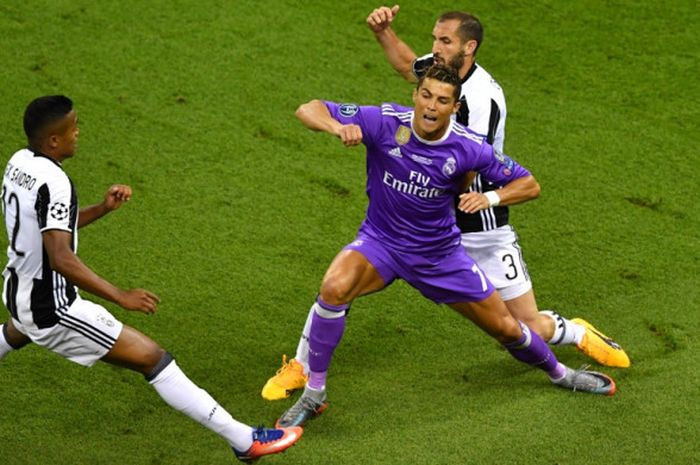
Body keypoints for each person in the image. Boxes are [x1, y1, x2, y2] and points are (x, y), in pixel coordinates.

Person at [261, 6, 628, 402]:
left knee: (521, 326)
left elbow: (467, 170)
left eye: (444, 41)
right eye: (435, 39)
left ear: (468, 49)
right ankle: (303, 367)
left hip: (477, 219)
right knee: (338, 285)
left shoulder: (481, 101)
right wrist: (384, 33)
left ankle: (574, 332)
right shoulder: (436, 77)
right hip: (418, 222)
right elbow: (408, 66)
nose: (434, 48)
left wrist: (437, 184)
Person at [0, 95, 302, 463]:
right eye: (72, 129)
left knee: (19, 330)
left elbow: (48, 229)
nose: (78, 133)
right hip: (53, 307)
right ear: (53, 142)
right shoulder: (57, 182)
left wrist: (102, 209)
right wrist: (120, 296)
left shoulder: (19, 163)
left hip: (18, 290)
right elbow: (60, 256)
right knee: (153, 359)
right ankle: (245, 441)